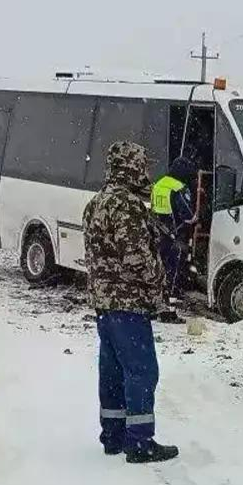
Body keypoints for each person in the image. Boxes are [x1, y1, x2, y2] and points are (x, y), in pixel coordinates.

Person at [83, 141, 179, 464]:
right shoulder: (126, 205)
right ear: (132, 167)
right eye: (141, 164)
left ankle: (113, 436)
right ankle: (139, 441)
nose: (145, 171)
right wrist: (160, 280)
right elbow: (136, 255)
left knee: (111, 370)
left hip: (104, 304)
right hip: (129, 303)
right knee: (141, 370)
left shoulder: (96, 203)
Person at [150, 155, 199, 323]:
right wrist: (195, 217)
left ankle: (154, 308)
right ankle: (169, 313)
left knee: (158, 272)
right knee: (174, 273)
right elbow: (188, 215)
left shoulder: (159, 183)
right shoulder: (179, 187)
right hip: (175, 236)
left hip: (158, 235)